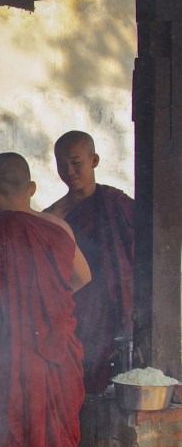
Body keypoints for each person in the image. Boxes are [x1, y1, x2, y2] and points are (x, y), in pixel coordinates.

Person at [0, 153, 91, 447]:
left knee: (9, 441)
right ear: (31, 188)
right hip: (57, 352)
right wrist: (46, 306)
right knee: (55, 441)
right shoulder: (59, 227)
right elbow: (83, 277)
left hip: (13, 355)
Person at [44, 131, 135, 394]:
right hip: (77, 309)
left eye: (76, 162)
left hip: (115, 305)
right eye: (62, 164)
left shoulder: (116, 203)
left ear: (93, 160)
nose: (69, 171)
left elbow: (140, 252)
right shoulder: (53, 215)